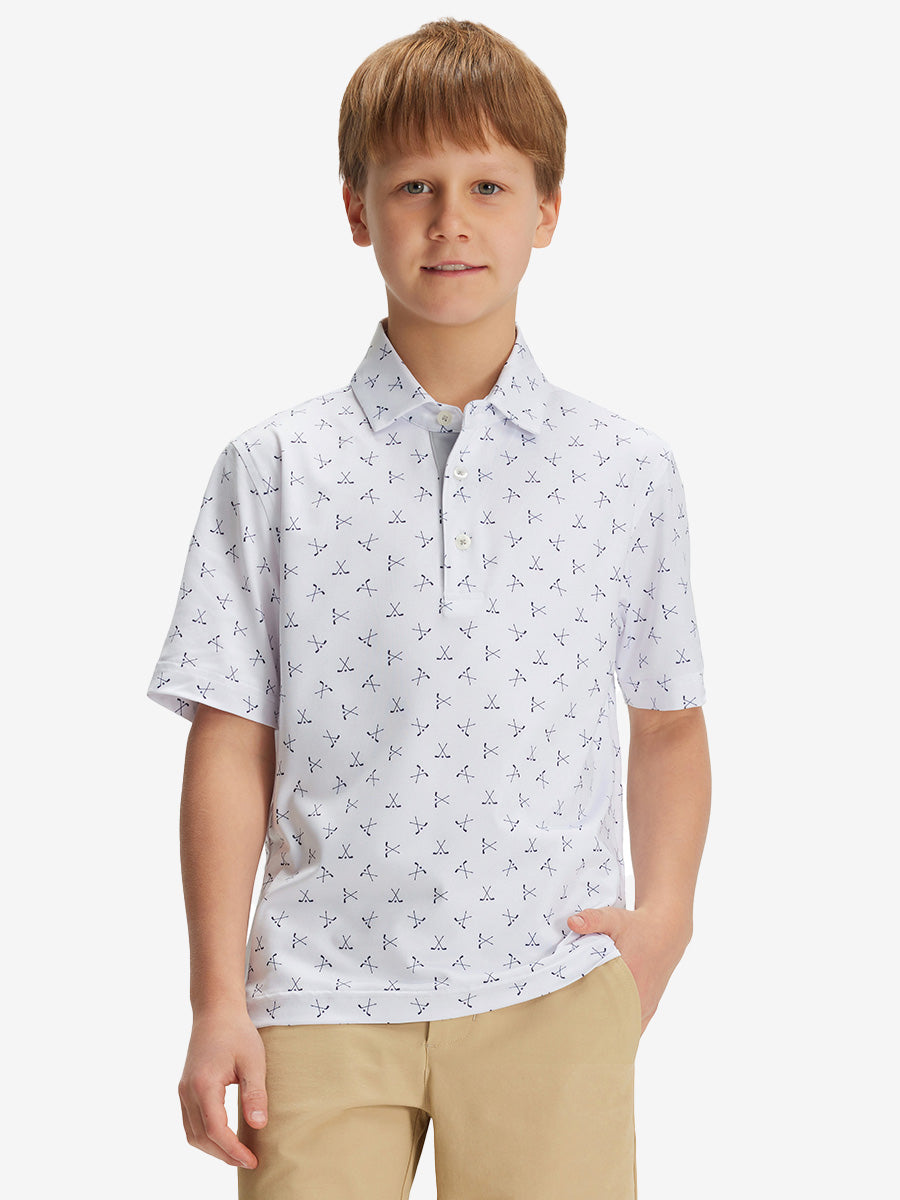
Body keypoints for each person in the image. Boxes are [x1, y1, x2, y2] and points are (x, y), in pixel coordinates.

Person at [147, 17, 711, 1199]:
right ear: (358, 210)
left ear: (547, 210)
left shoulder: (625, 469)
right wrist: (214, 1001)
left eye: (488, 185)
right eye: (415, 186)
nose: (451, 220)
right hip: (319, 994)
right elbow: (231, 742)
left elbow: (667, 722)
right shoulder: (274, 467)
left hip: (549, 982)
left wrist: (665, 921)